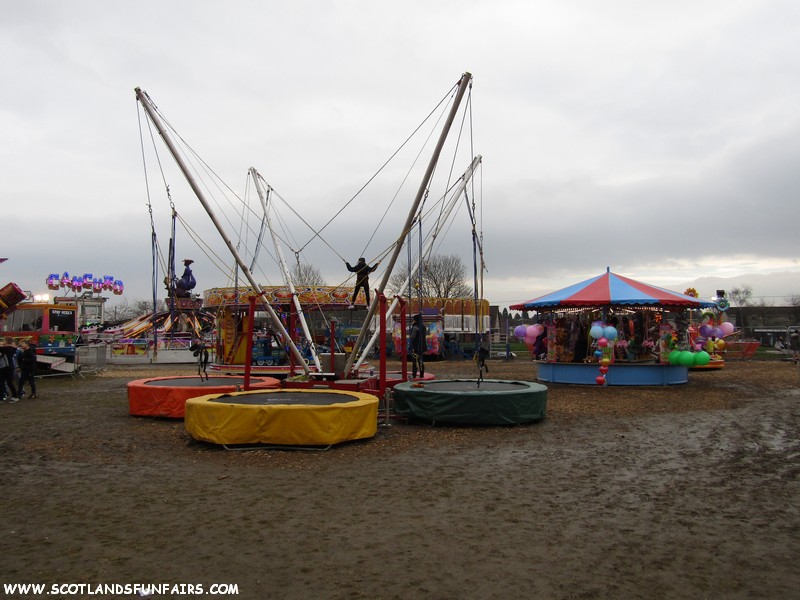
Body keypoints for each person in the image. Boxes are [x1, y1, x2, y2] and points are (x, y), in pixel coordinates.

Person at [408, 313, 427, 379]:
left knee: (414, 362)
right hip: (422, 346)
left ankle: (414, 374)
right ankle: (422, 374)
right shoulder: (423, 326)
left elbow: (413, 337)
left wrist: (411, 345)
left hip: (415, 347)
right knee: (420, 361)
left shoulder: (415, 327)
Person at [0, 337, 19, 402]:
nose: (3, 342)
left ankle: (15, 396)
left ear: (7, 342)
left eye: (4, 341)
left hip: (8, 368)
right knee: (2, 382)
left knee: (9, 382)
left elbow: (2, 349)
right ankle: (2, 396)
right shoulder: (9, 349)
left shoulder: (9, 348)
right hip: (5, 367)